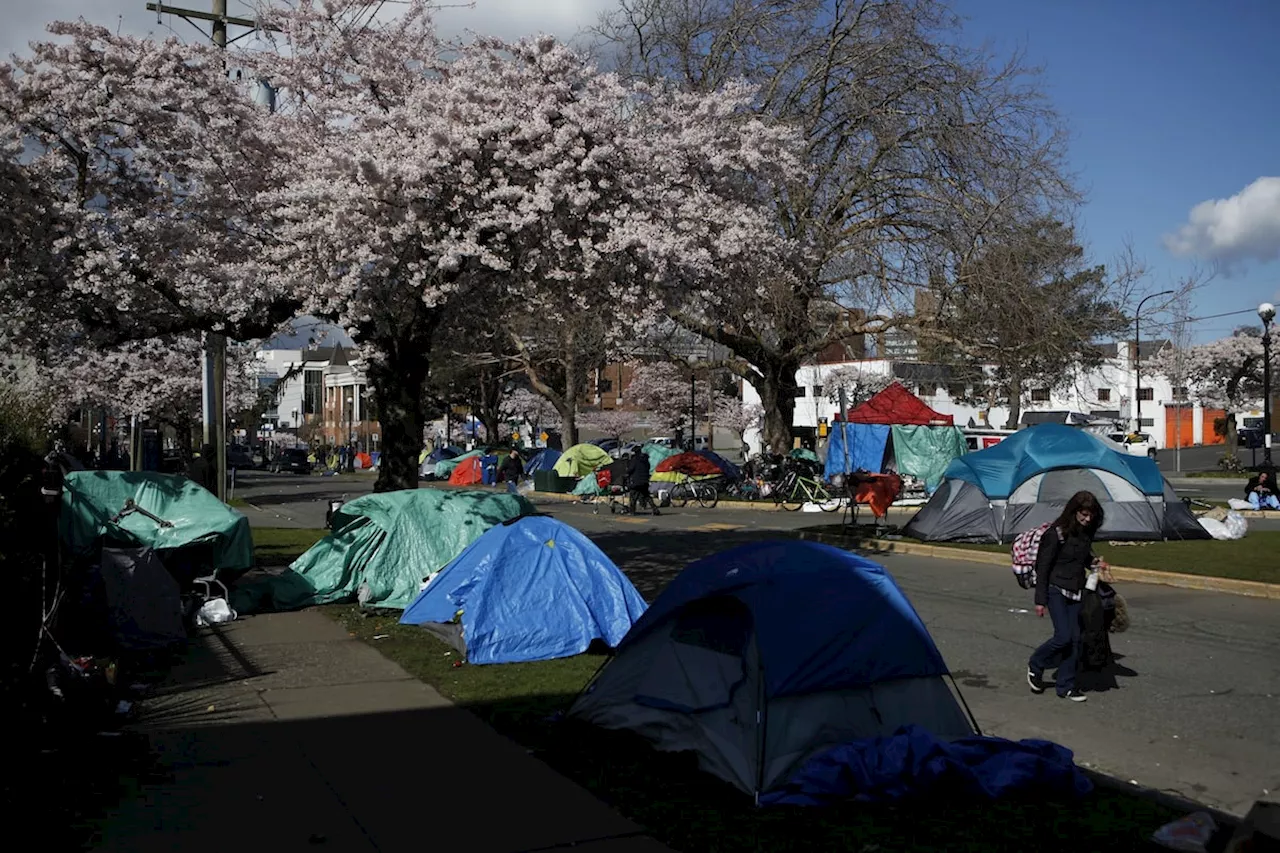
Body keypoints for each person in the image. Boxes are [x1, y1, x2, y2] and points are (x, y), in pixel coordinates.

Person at [1027, 490, 1106, 703]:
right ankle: (1036, 663)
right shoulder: (1055, 534)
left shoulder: (1085, 533)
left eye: (1090, 515)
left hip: (1076, 589)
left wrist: (1093, 563)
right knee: (1063, 637)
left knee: (1076, 639)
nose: (1087, 519)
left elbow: (1082, 556)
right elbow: (1042, 568)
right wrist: (1040, 600)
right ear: (1074, 512)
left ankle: (1066, 686)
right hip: (1055, 588)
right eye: (1083, 514)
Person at [626, 448, 658, 515]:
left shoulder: (635, 460)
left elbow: (630, 470)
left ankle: (632, 511)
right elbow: (648, 468)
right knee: (647, 496)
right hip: (645, 481)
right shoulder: (645, 460)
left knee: (633, 496)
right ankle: (655, 509)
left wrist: (627, 471)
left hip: (636, 481)